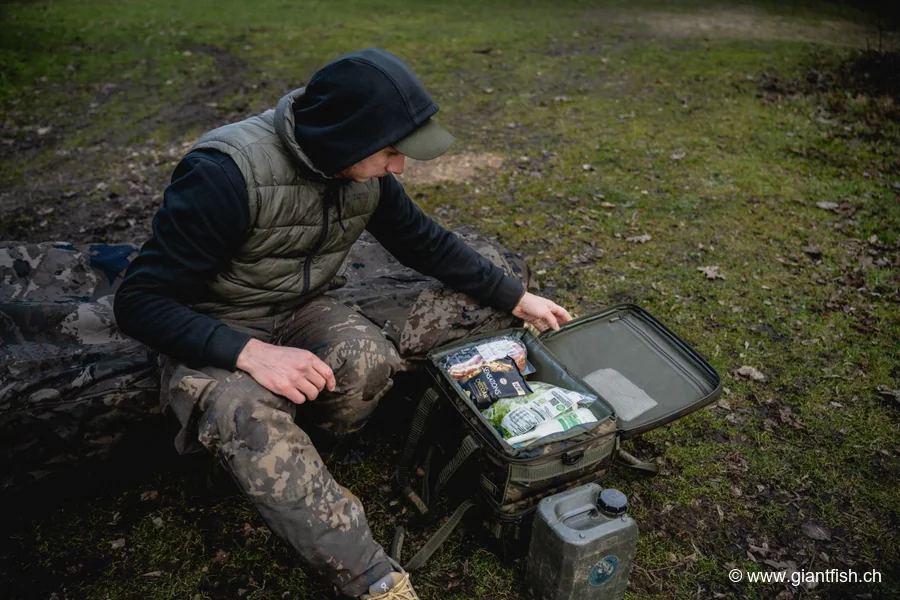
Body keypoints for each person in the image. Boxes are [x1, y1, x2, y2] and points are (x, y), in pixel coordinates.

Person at [114, 48, 571, 599]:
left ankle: (308, 455)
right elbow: (139, 301)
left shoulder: (359, 171)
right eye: (391, 152)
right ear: (345, 139)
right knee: (248, 414)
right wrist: (251, 354)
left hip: (298, 307)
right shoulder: (225, 174)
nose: (399, 167)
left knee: (368, 360)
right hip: (212, 324)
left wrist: (516, 296)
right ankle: (370, 579)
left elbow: (422, 240)